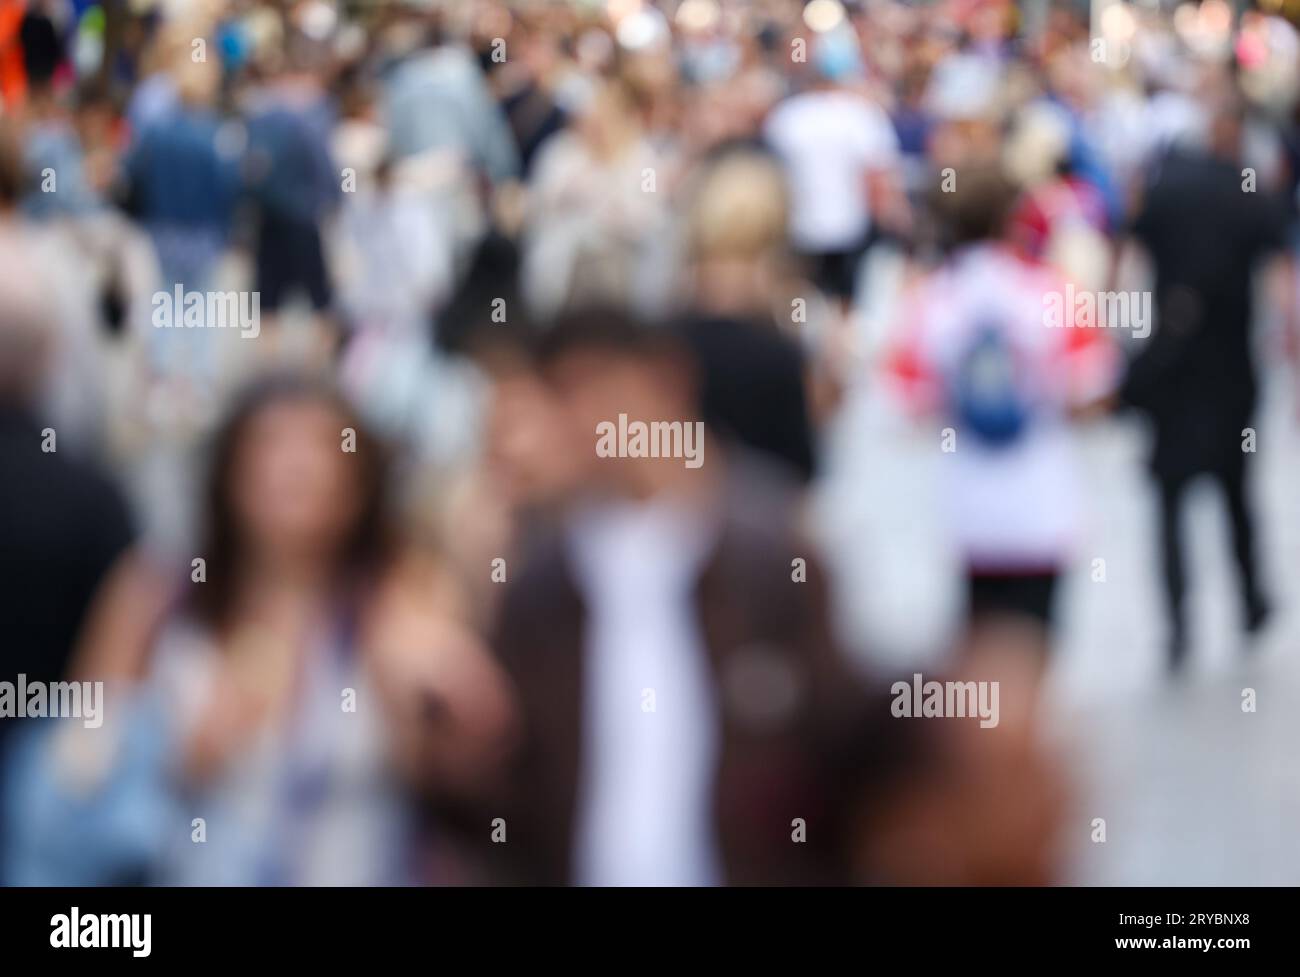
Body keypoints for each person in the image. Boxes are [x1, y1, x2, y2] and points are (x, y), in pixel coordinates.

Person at [56, 374, 515, 884]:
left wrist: (434, 714)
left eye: (321, 446)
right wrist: (175, 758)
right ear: (228, 470)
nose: (295, 468)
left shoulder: (406, 599)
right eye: (270, 443)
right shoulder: (155, 597)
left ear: (360, 481)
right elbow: (76, 771)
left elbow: (469, 765)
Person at [488, 308, 867, 884]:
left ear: (664, 378)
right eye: (562, 395)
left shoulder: (773, 550)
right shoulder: (541, 581)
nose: (585, 417)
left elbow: (839, 743)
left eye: (596, 386)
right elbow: (511, 779)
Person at [887, 165, 1117, 653]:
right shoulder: (1052, 292)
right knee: (1037, 647)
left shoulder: (931, 300)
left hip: (968, 510)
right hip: (1042, 503)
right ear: (1013, 219)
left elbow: (908, 403)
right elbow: (1093, 389)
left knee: (981, 650)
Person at [1122, 90, 1295, 670]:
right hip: (1230, 370)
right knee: (1236, 492)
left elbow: (1127, 263)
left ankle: (1177, 623)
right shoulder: (1246, 191)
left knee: (1168, 499)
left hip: (1171, 364)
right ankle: (1248, 601)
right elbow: (1279, 279)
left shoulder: (1166, 186)